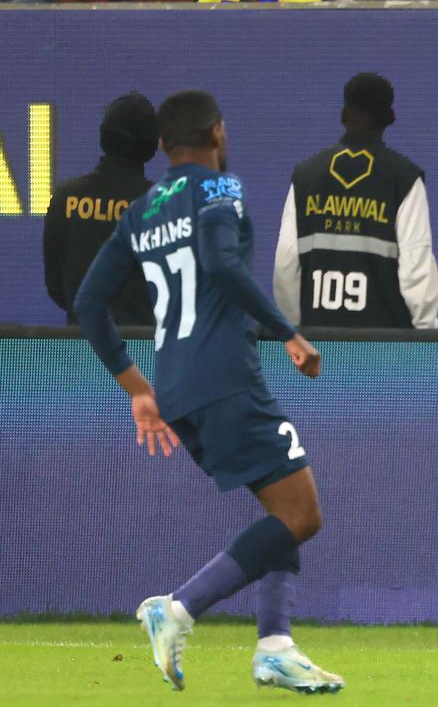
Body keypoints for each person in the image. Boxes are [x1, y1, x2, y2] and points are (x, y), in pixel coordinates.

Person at [74, 91, 344, 694]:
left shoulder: (141, 211)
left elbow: (89, 303)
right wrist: (287, 331)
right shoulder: (221, 189)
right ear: (218, 133)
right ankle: (177, 608)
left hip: (175, 387)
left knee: (282, 511)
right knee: (302, 515)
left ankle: (275, 648)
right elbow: (222, 264)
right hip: (225, 377)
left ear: (163, 146)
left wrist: (137, 389)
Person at [274, 72, 438, 329]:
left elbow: (286, 265)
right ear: (390, 118)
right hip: (385, 344)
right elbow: (416, 267)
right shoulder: (404, 179)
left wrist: (295, 332)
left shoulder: (305, 177)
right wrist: (427, 332)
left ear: (343, 114)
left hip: (317, 341)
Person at [43, 92, 158, 326]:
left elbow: (56, 287)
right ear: (152, 145)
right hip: (146, 346)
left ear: (104, 135)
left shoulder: (65, 197)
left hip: (82, 344)